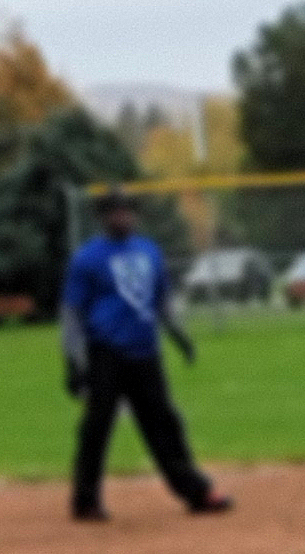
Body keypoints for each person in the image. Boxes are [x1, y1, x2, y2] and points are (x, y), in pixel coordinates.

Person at [61, 191, 234, 521]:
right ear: (103, 218)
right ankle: (85, 500)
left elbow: (161, 300)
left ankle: (197, 492)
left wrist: (178, 334)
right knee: (97, 426)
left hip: (145, 352)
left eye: (128, 212)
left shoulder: (149, 251)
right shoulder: (87, 259)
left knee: (165, 423)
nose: (123, 217)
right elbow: (72, 313)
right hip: (105, 351)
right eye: (115, 213)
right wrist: (73, 361)